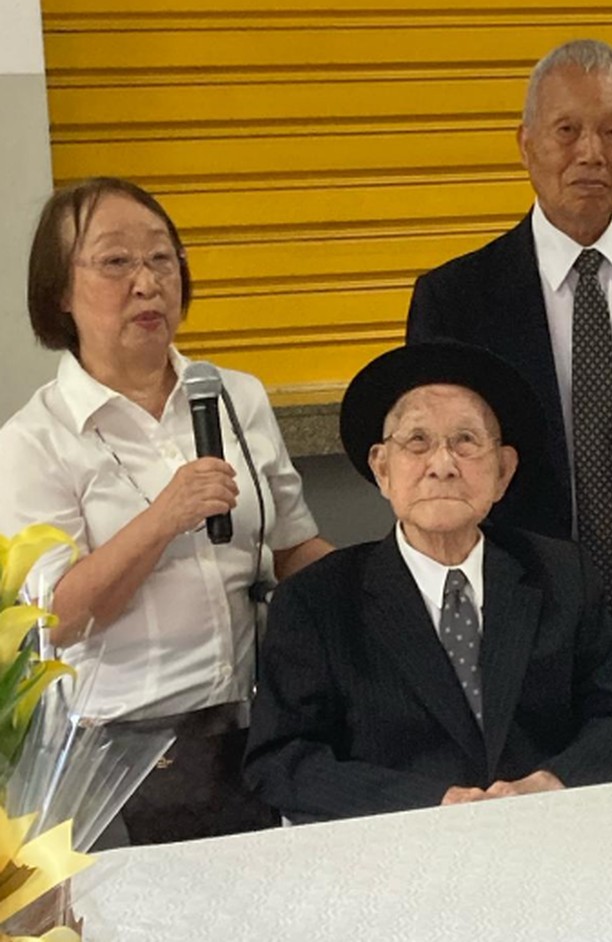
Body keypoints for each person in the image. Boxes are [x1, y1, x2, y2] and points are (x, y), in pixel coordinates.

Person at [406, 39, 612, 760]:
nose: (591, 151)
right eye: (567, 131)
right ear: (526, 145)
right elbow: (430, 487)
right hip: (510, 623)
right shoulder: (455, 299)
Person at [0, 176, 332, 843]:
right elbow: (58, 622)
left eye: (161, 258)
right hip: (122, 754)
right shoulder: (34, 441)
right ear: (59, 291)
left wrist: (399, 575)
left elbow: (295, 547)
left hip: (256, 726)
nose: (148, 282)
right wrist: (163, 516)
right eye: (115, 261)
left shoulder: (234, 395)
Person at [243, 341, 612, 821]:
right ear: (382, 469)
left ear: (503, 472)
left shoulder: (562, 576)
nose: (442, 464)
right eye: (417, 441)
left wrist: (550, 784)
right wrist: (433, 805)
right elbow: (282, 762)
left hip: (547, 837)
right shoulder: (317, 600)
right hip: (391, 855)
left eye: (466, 441)